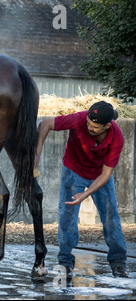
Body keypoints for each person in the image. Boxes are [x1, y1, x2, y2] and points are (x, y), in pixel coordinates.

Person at [35, 101, 128, 278]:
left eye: (94, 127)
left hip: (100, 174)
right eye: (88, 123)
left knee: (111, 217)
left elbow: (107, 174)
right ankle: (65, 262)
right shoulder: (79, 119)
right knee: (67, 216)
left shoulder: (117, 137)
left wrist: (84, 195)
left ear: (107, 126)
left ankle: (118, 264)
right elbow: (45, 123)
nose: (89, 128)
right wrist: (36, 155)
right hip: (73, 170)